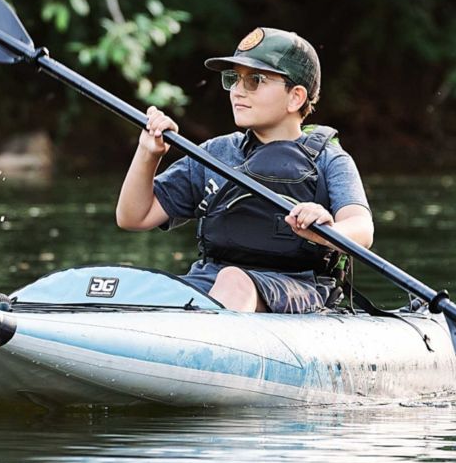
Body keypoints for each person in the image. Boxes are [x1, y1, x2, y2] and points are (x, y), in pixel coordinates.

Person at [114, 27, 374, 313]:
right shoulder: (215, 153)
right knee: (151, 286)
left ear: (295, 97)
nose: (237, 90)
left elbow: (362, 229)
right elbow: (133, 217)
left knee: (234, 281)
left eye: (254, 80)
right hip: (209, 280)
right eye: (234, 79)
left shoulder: (329, 159)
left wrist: (328, 230)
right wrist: (148, 153)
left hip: (299, 286)